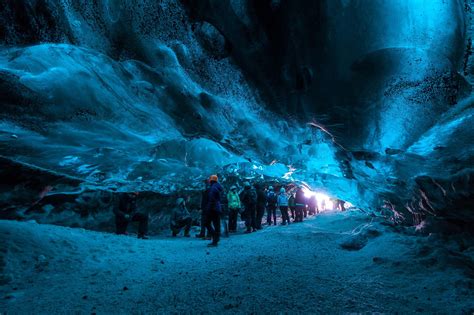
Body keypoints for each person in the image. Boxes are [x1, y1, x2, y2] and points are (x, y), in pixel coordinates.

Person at [205, 175, 223, 247]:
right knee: (217, 224)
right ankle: (217, 238)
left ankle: (215, 238)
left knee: (206, 223)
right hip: (218, 208)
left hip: (213, 209)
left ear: (211, 180)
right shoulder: (219, 187)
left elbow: (211, 200)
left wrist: (208, 209)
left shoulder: (213, 188)